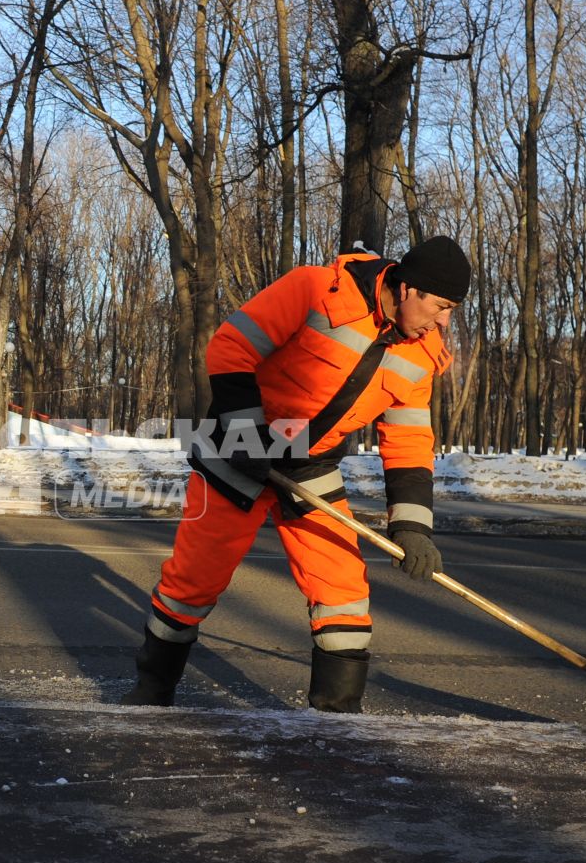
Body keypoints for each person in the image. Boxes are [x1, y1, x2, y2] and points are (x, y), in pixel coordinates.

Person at [123, 236, 471, 713]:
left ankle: (336, 718)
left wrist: (412, 528)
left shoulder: (422, 355)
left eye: (452, 310)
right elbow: (231, 347)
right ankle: (152, 692)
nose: (444, 321)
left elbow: (408, 442)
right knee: (194, 582)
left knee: (342, 588)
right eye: (442, 306)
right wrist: (248, 437)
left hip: (310, 465)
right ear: (409, 288)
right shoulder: (315, 289)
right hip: (237, 449)